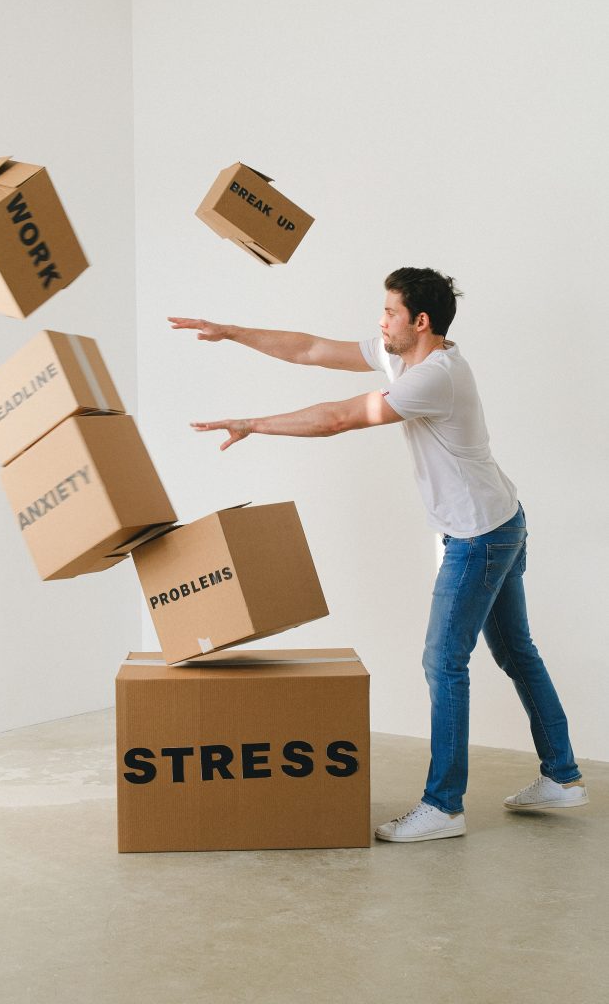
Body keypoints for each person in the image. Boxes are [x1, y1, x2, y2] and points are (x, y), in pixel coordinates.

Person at [168, 266, 587, 843]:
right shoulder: (404, 358)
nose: (381, 321)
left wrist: (253, 424)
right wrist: (233, 331)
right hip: (500, 519)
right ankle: (562, 776)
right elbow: (311, 349)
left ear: (421, 322)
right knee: (516, 651)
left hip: (478, 538)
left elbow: (338, 418)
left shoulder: (434, 377)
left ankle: (444, 806)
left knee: (444, 662)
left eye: (390, 312)